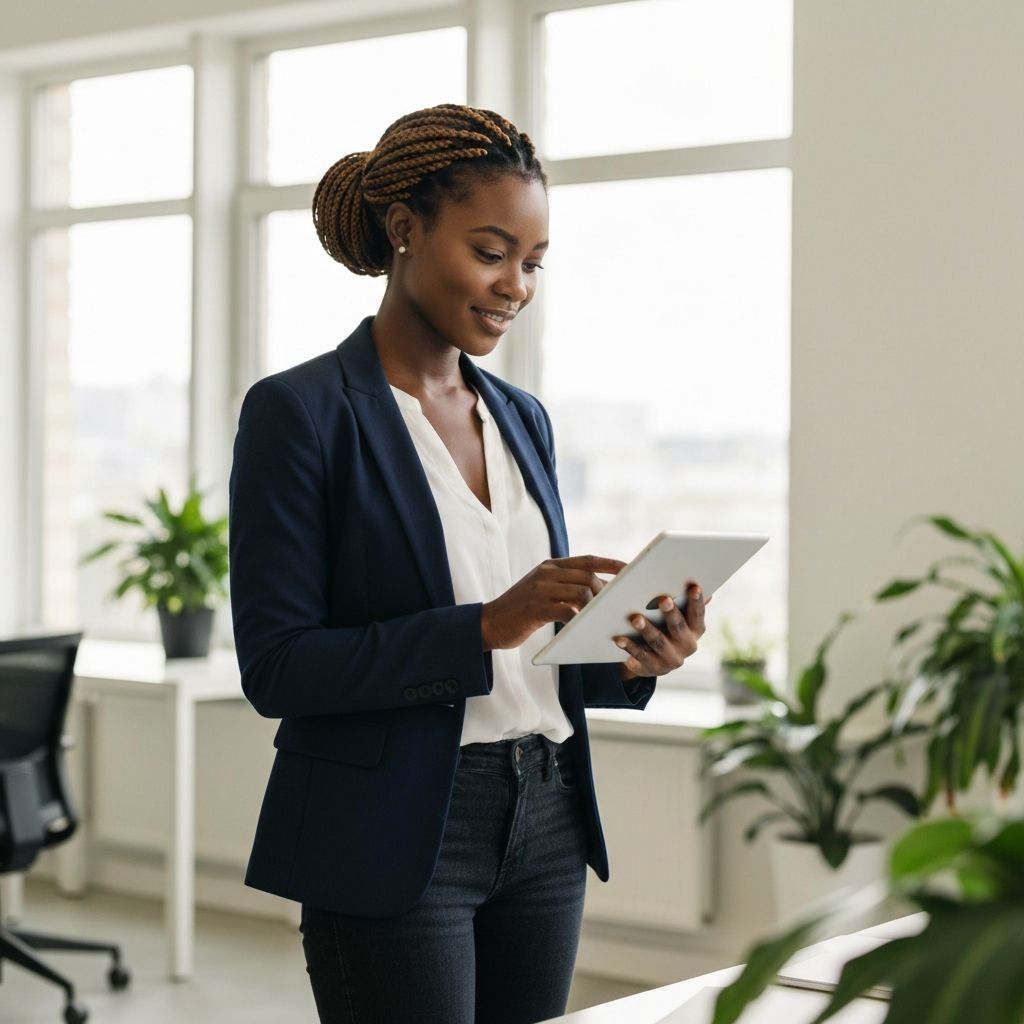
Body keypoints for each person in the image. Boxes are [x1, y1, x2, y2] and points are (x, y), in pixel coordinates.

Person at [228, 104, 707, 1024]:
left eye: (533, 263)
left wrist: (632, 656)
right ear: (404, 229)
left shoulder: (521, 416)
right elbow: (279, 666)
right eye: (491, 252)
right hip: (396, 825)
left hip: (547, 815)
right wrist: (485, 625)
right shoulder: (302, 413)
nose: (515, 286)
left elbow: (531, 660)